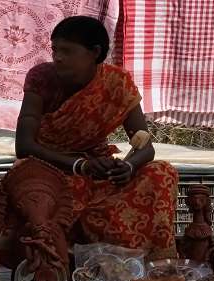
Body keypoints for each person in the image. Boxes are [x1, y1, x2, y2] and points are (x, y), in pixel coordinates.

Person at [14, 15, 178, 259]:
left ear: (94, 52)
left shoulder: (116, 82)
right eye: (55, 49)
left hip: (99, 173)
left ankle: (149, 262)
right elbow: (24, 146)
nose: (57, 57)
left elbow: (146, 147)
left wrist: (128, 167)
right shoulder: (41, 79)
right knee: (39, 192)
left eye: (67, 51)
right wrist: (80, 166)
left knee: (161, 172)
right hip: (49, 171)